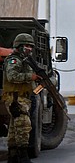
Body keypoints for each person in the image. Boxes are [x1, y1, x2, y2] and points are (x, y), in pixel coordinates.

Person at [2, 33, 40, 163]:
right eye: (26, 46)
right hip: (16, 98)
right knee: (24, 126)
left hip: (21, 97)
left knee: (14, 128)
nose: (29, 48)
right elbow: (11, 76)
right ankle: (23, 157)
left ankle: (12, 157)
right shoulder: (15, 60)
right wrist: (30, 77)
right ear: (19, 46)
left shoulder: (24, 60)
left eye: (31, 46)